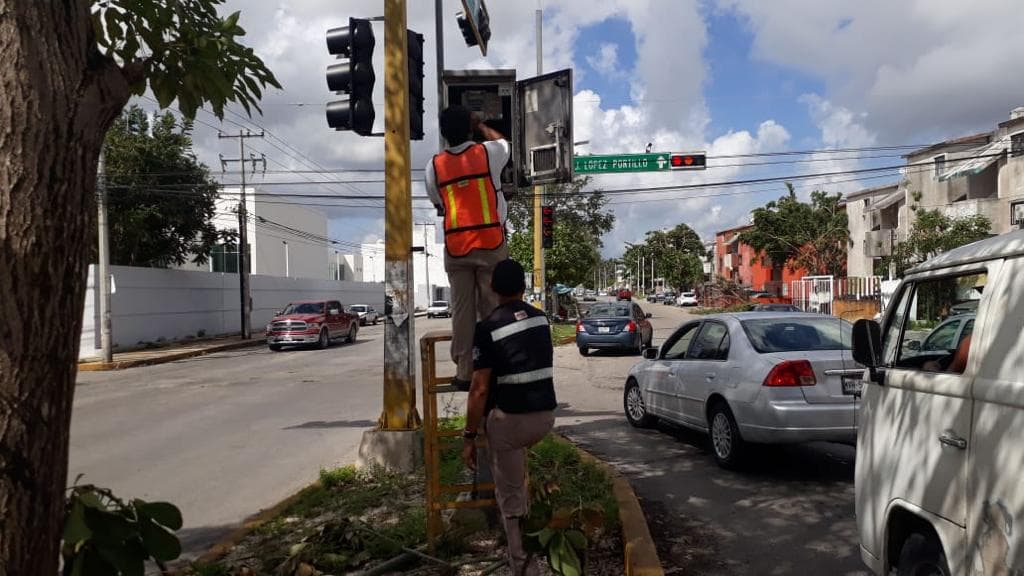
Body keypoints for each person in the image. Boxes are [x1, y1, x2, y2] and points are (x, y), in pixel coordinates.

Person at [461, 259, 557, 575]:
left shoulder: (487, 328)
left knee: (511, 498)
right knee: (518, 476)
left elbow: (478, 390)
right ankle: (531, 536)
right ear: (524, 288)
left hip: (511, 425)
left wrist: (469, 437)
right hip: (544, 418)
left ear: (491, 288)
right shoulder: (541, 319)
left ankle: (525, 566)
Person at [425, 105, 511, 389]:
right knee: (491, 307)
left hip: (456, 246)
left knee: (462, 310)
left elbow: (439, 202)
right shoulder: (488, 153)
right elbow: (502, 142)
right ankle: (492, 368)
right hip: (489, 243)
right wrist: (481, 125)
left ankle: (464, 371)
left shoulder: (433, 166)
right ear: (469, 128)